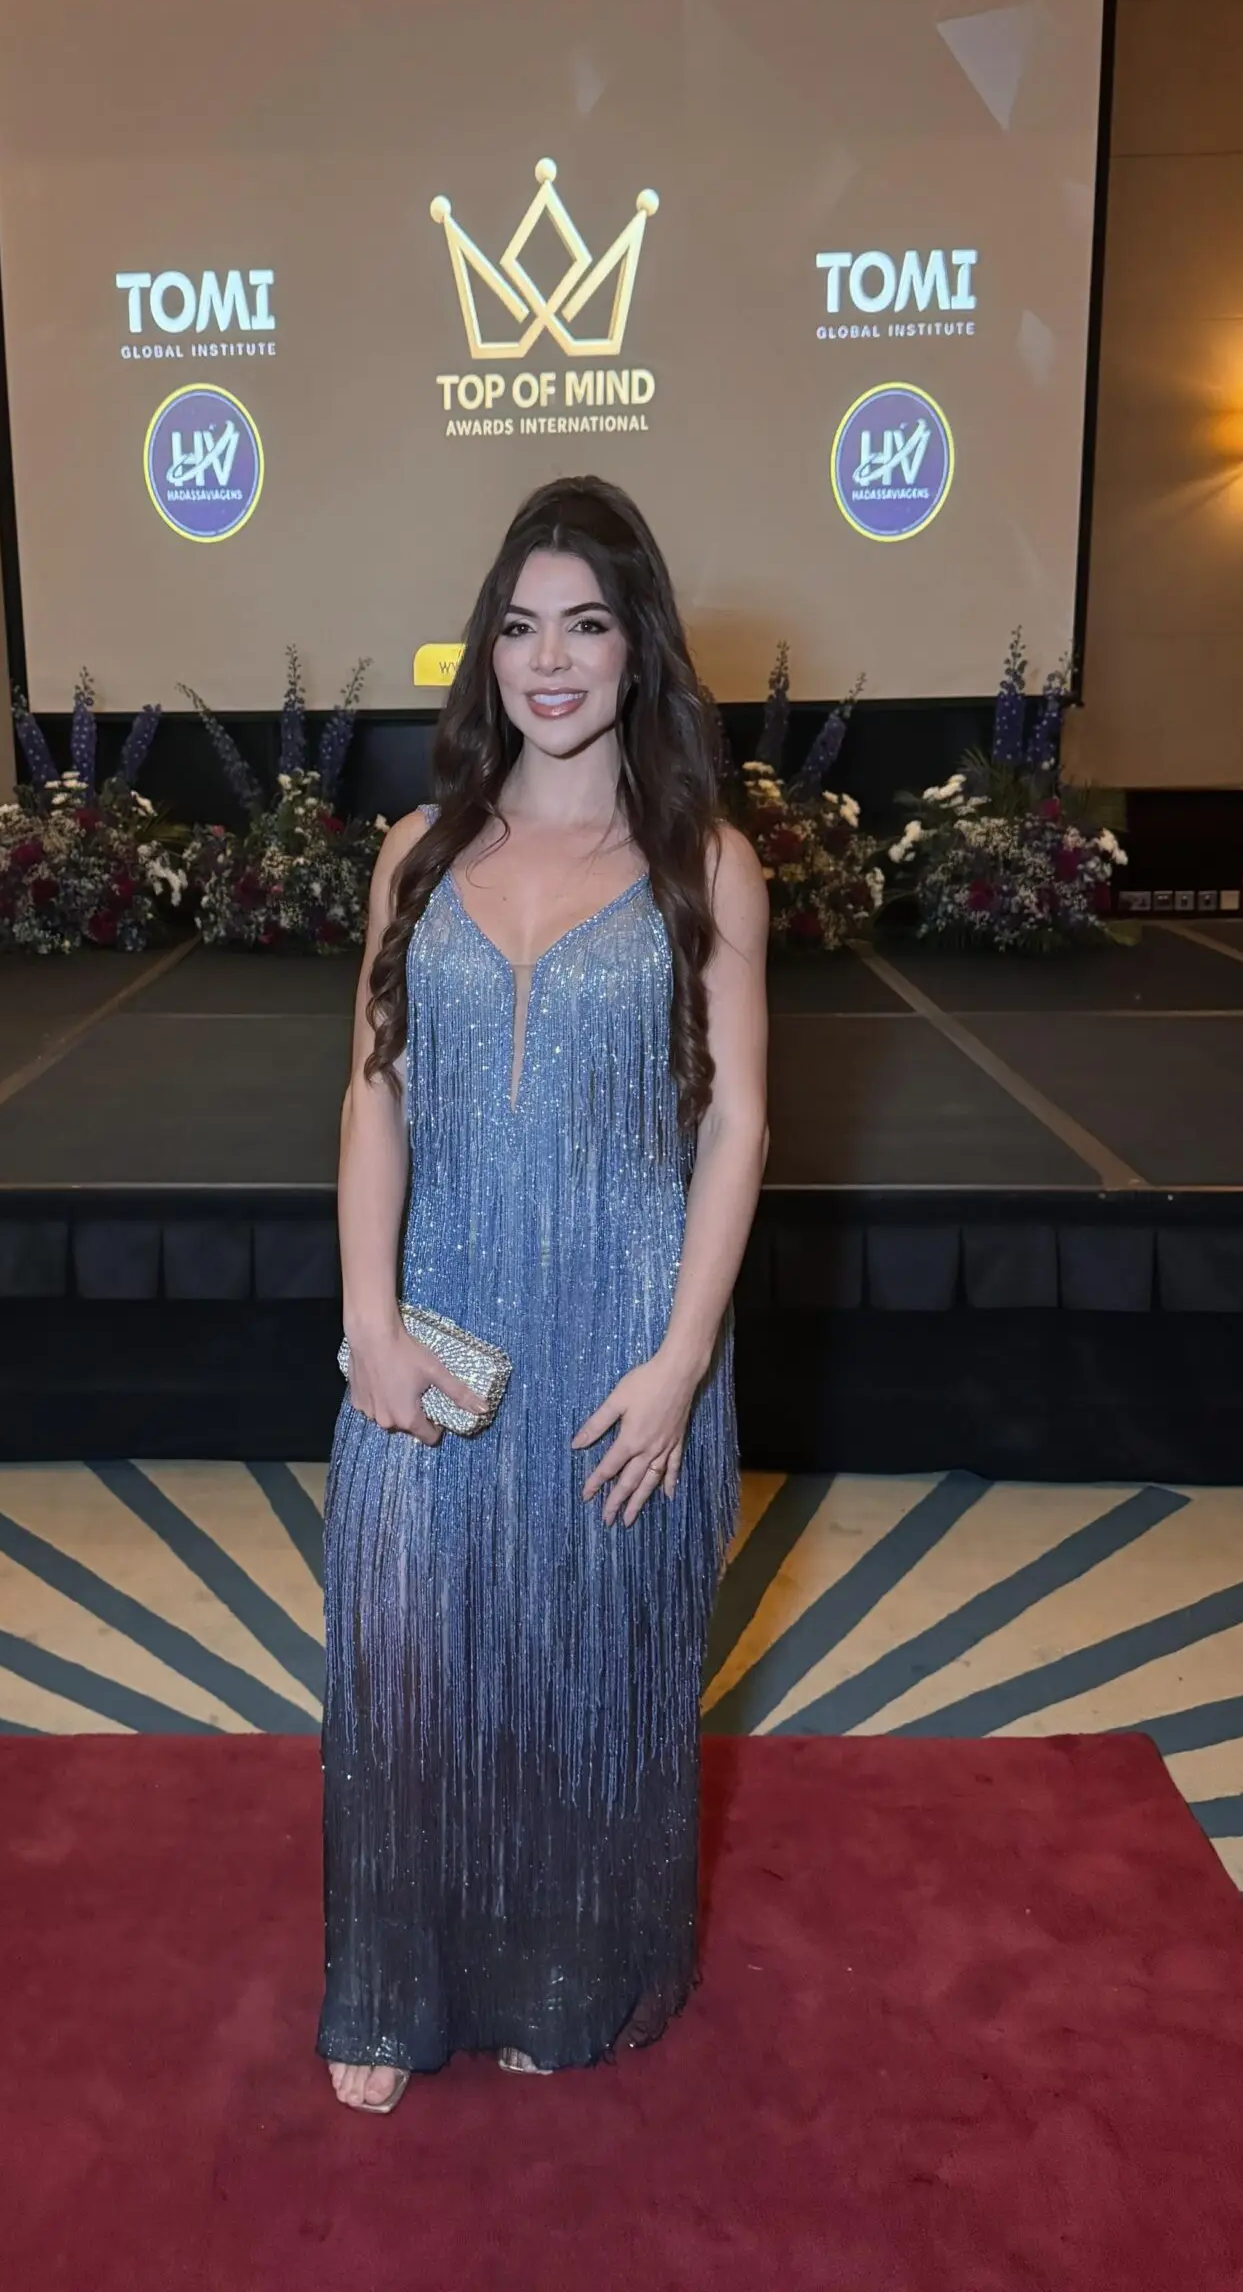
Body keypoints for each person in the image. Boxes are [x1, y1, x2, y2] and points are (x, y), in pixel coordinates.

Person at [319, 474, 770, 2112]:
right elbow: (372, 1092)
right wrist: (368, 1322)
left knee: (584, 1683)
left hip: (623, 1337)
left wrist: (682, 1363)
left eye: (585, 625)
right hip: (437, 1318)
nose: (551, 661)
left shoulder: (705, 863)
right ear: (487, 652)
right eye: (520, 628)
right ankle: (394, 1986)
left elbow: (738, 1125)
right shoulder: (417, 852)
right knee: (402, 1660)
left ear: (639, 647)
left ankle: (562, 1976)